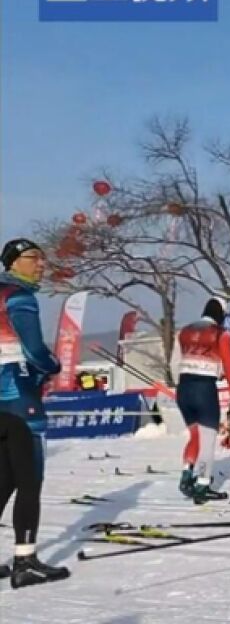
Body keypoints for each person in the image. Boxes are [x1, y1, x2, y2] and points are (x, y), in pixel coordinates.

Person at [0, 239, 68, 586]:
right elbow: (34, 349)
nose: (42, 264)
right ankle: (25, 561)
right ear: (13, 263)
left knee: (4, 479)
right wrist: (52, 365)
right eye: (34, 258)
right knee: (30, 479)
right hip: (20, 396)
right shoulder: (20, 296)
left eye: (43, 258)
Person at [172, 297, 230, 505]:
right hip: (204, 388)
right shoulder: (221, 334)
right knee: (207, 440)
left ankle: (187, 475)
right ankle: (202, 485)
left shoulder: (184, 331)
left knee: (194, 436)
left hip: (184, 387)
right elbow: (228, 365)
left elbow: (174, 362)